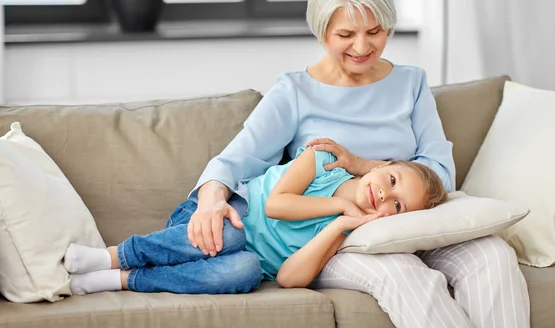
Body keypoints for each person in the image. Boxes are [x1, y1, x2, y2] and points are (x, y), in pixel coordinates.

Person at [187, 0, 530, 328]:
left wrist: (362, 165)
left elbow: (441, 176)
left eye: (375, 31)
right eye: (346, 34)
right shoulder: (294, 92)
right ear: (323, 32)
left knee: (493, 256)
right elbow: (237, 160)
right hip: (343, 235)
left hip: (414, 221)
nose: (363, 46)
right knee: (402, 272)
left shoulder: (411, 84)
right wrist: (210, 200)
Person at [63, 146, 446, 295]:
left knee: (246, 271)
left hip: (241, 259)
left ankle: (123, 280)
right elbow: (278, 205)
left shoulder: (351, 231)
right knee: (232, 237)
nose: (385, 196)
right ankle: (115, 256)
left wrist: (338, 228)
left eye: (397, 207)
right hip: (215, 222)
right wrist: (336, 209)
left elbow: (288, 278)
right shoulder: (320, 164)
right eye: (392, 180)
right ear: (384, 165)